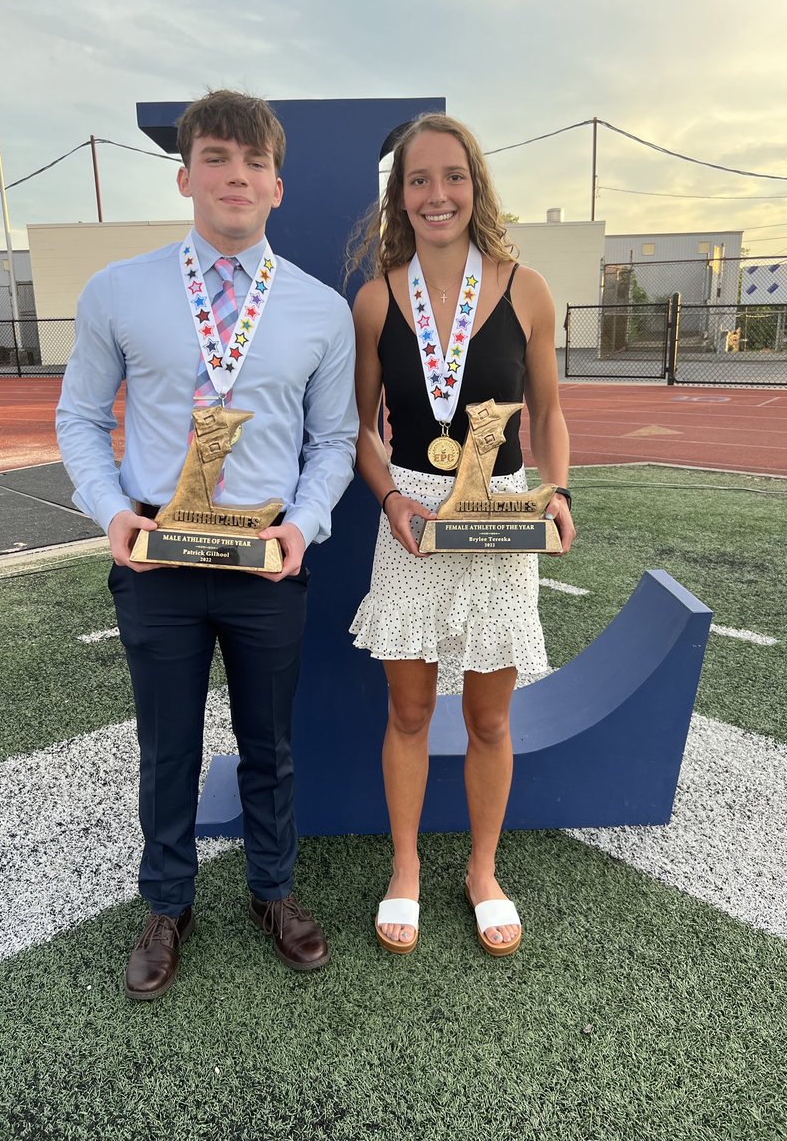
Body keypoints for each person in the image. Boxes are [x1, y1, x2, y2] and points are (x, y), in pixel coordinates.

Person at [56, 90, 357, 998]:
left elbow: (334, 441)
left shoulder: (319, 310)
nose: (236, 176)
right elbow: (78, 418)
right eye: (216, 158)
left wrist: (303, 526)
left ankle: (273, 891)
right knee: (167, 746)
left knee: (270, 743)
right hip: (157, 560)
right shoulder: (118, 291)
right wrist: (111, 512)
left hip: (265, 561)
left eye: (254, 162)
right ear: (186, 177)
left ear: (277, 185)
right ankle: (167, 905)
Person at [348, 113, 575, 957]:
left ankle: (483, 870)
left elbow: (550, 412)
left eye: (452, 176)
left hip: (501, 515)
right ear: (399, 197)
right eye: (418, 179)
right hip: (412, 515)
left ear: (475, 186)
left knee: (488, 718)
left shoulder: (528, 289)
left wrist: (556, 490)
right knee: (409, 712)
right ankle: (406, 866)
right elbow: (358, 429)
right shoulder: (377, 300)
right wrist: (388, 498)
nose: (436, 194)